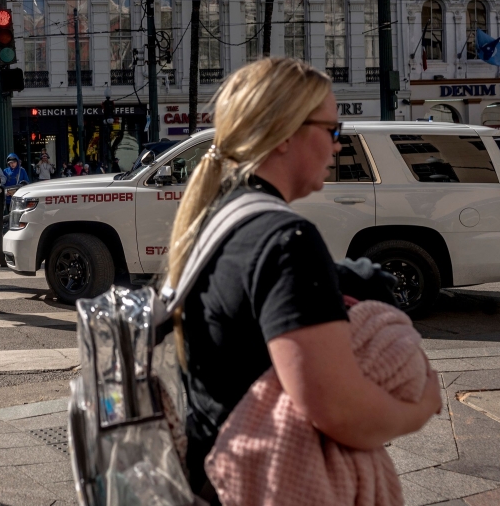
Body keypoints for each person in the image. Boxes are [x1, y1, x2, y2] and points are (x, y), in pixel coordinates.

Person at [162, 58, 442, 500]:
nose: (337, 146)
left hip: (216, 476)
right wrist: (422, 407)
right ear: (285, 134)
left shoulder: (217, 219)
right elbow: (339, 410)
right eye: (332, 130)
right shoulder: (286, 240)